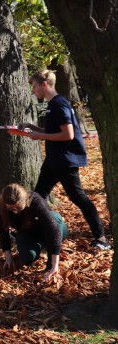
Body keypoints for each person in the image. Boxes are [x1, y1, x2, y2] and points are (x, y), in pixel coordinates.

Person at [19, 69, 111, 250]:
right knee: (38, 196)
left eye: (35, 86)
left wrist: (39, 137)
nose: (34, 91)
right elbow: (54, 131)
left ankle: (101, 238)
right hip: (54, 160)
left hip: (65, 161)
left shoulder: (59, 104)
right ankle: (35, 231)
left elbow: (68, 135)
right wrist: (32, 128)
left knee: (78, 197)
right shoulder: (53, 104)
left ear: (44, 85)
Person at [0, 183, 68, 283]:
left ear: (25, 200)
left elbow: (52, 229)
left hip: (51, 228)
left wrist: (53, 265)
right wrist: (8, 257)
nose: (15, 212)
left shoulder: (35, 200)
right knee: (27, 256)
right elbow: (3, 233)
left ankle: (48, 249)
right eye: (11, 209)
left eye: (19, 208)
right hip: (28, 232)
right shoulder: (0, 210)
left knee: (54, 219)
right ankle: (38, 246)